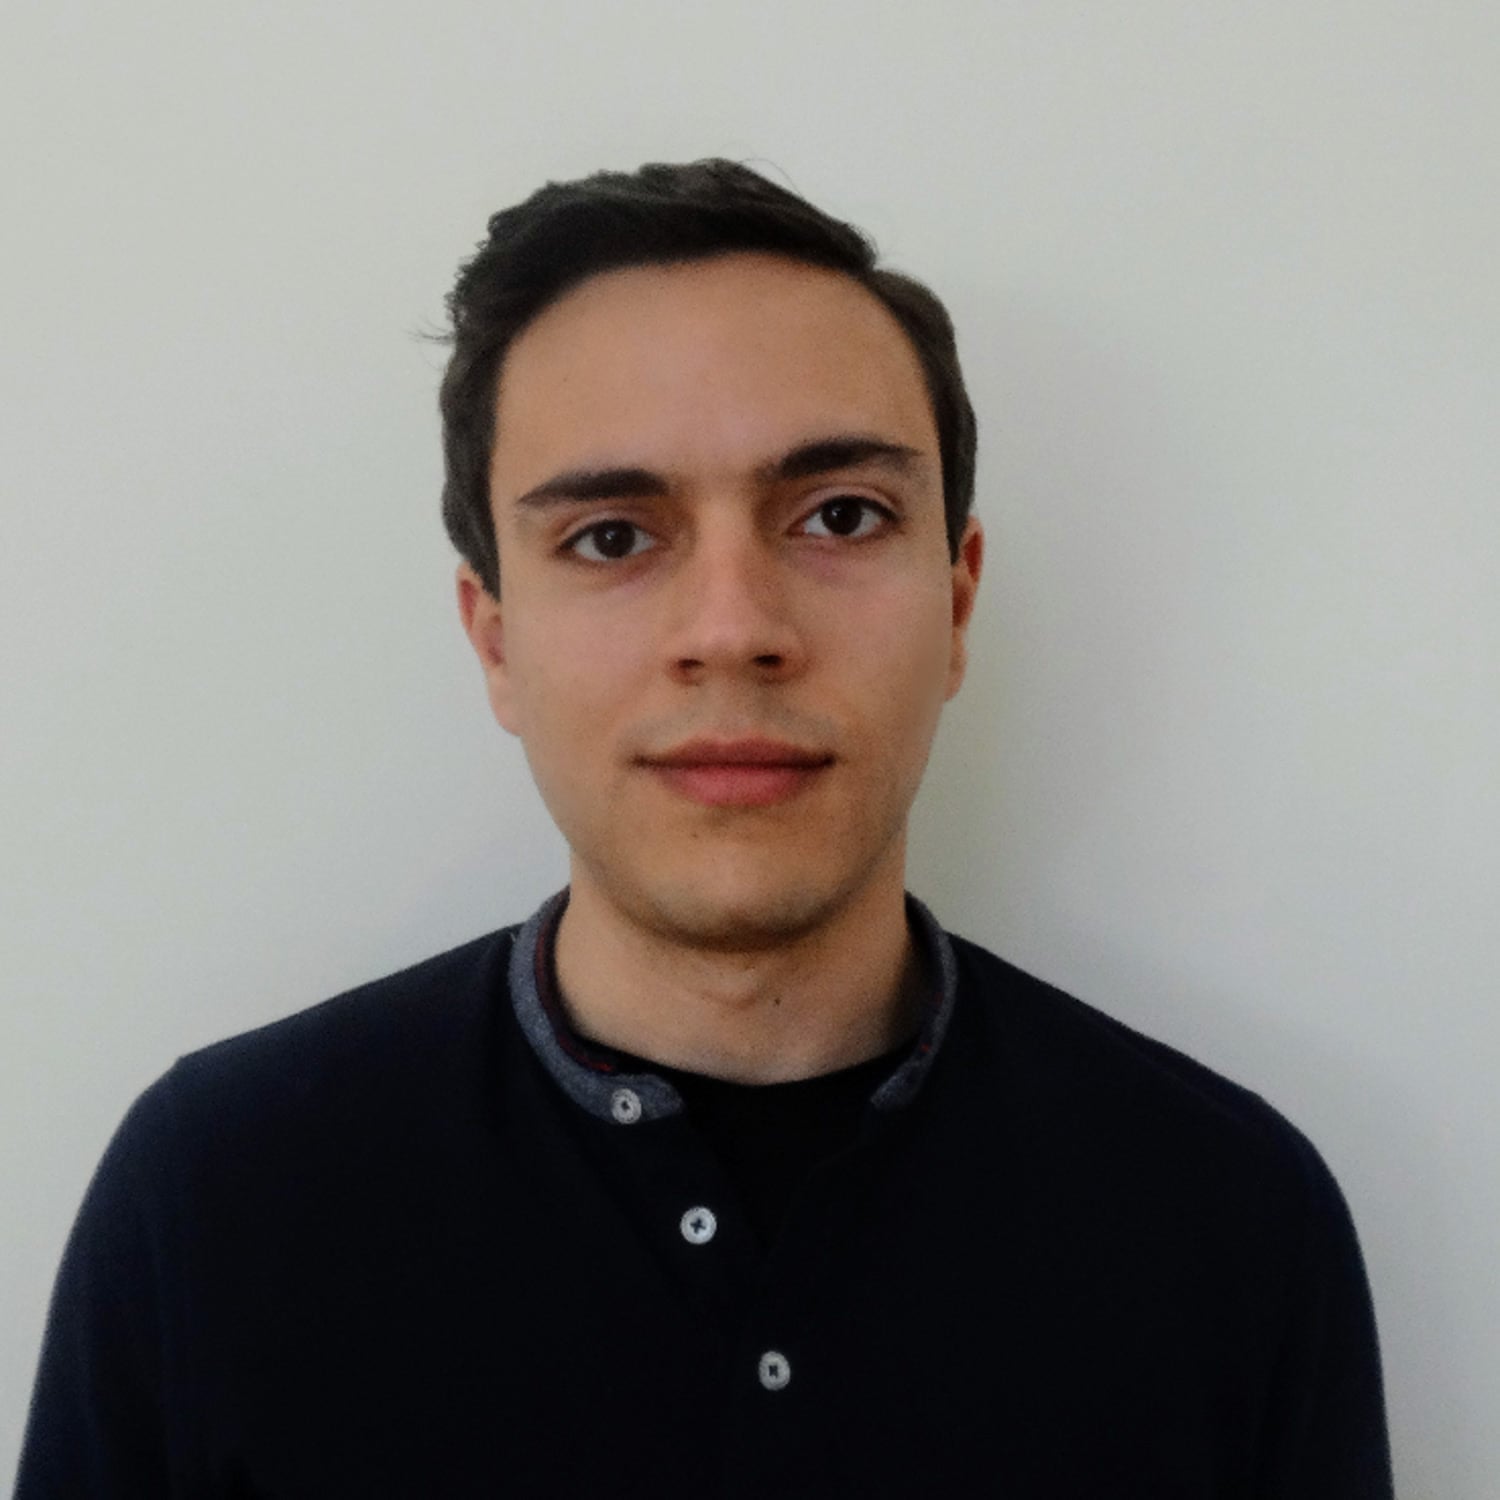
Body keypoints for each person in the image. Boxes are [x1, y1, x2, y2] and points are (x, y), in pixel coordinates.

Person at [15, 160, 1393, 1497]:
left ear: (958, 602)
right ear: (495, 642)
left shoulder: (1234, 1220)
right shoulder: (213, 1196)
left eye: (840, 516)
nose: (733, 630)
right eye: (613, 537)